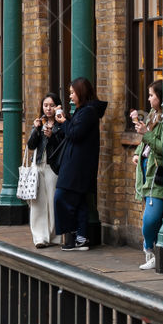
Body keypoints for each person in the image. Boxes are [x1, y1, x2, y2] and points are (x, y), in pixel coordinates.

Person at [53, 77, 108, 251]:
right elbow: (72, 132)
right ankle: (81, 238)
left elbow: (75, 133)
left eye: (72, 92)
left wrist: (63, 122)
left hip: (78, 165)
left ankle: (71, 234)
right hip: (77, 163)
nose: (70, 95)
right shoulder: (82, 110)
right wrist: (64, 122)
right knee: (80, 201)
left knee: (61, 197)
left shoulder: (88, 112)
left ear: (80, 92)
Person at [133, 79, 163, 270]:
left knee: (150, 219)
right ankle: (153, 254)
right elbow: (146, 142)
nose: (149, 98)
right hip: (146, 171)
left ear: (161, 97)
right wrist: (137, 154)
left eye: (152, 95)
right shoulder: (153, 114)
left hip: (158, 174)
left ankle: (148, 248)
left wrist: (145, 133)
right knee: (152, 216)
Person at [25, 92, 64, 247]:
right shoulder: (39, 123)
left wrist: (52, 136)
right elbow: (31, 145)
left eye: (52, 105)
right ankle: (40, 237)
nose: (48, 109)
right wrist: (36, 130)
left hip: (53, 167)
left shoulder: (62, 124)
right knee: (37, 202)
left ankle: (54, 236)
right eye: (46, 105)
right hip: (38, 165)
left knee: (53, 201)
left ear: (58, 106)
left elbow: (63, 145)